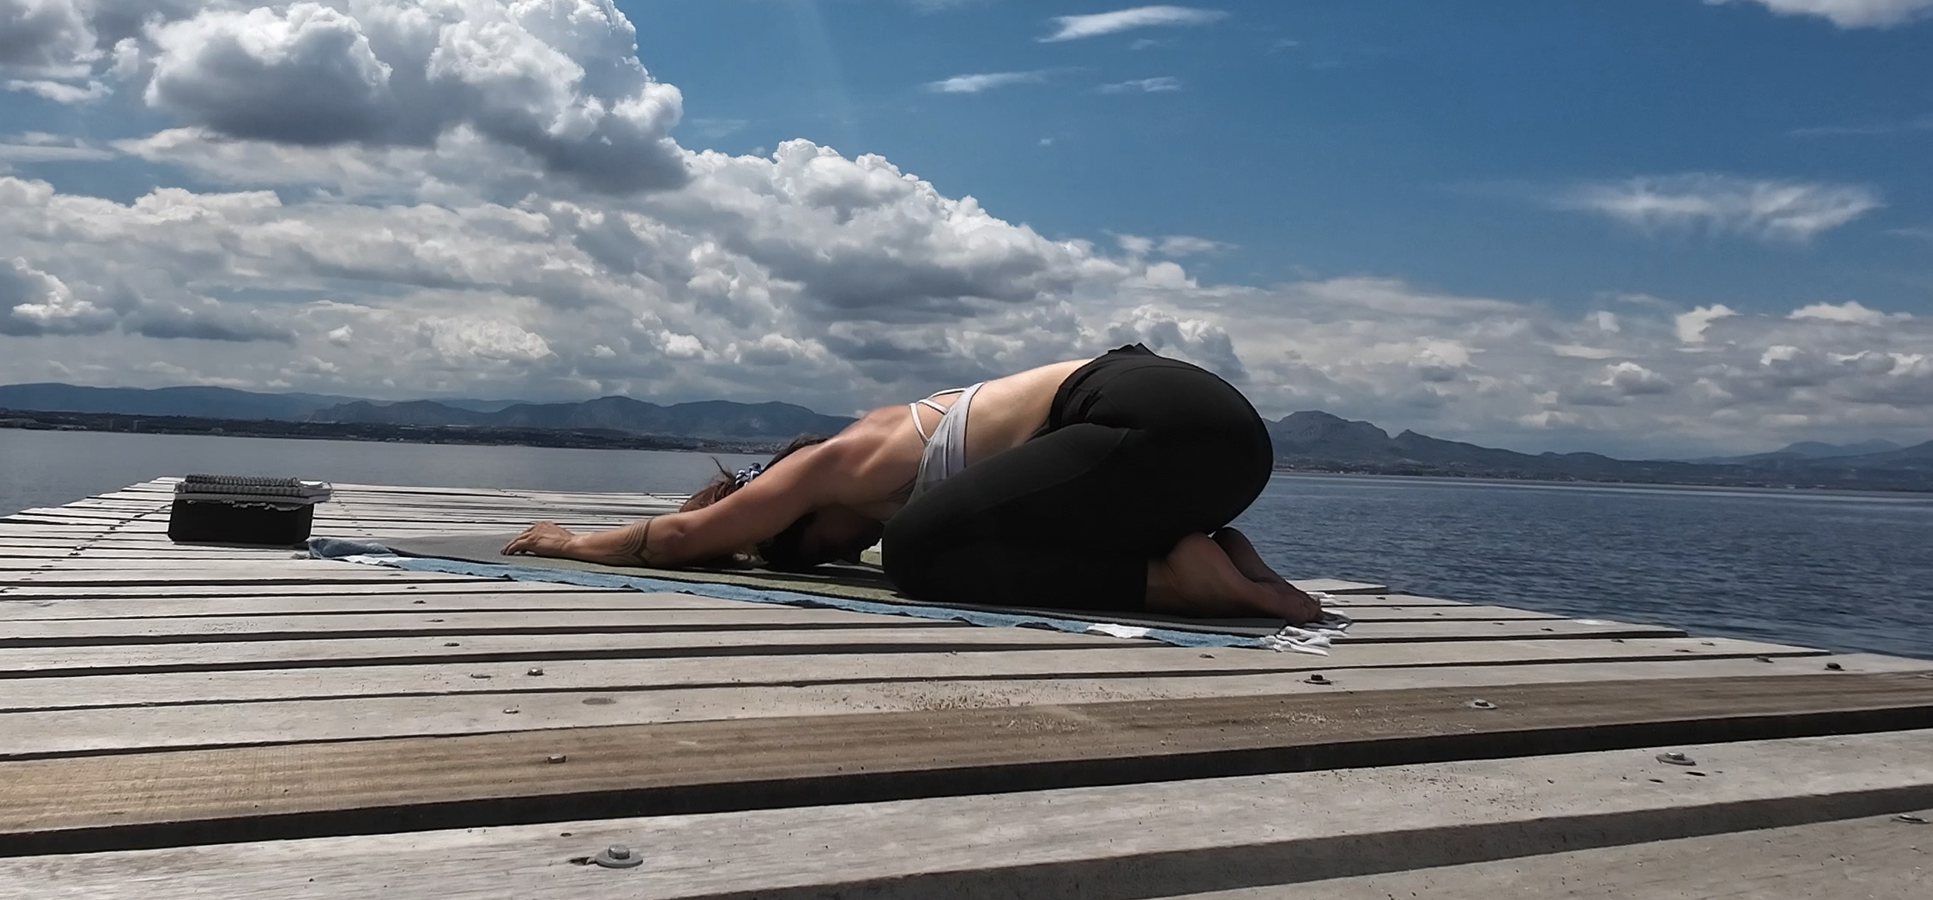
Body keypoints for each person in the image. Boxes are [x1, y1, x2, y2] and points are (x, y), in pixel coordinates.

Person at [502, 344, 1321, 623]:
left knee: (918, 552)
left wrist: (575, 543)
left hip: (1154, 419)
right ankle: (1226, 563)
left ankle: (1176, 583)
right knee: (957, 536)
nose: (825, 556)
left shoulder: (835, 460)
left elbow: (684, 538)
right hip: (1227, 453)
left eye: (795, 548)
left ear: (792, 504)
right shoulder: (903, 455)